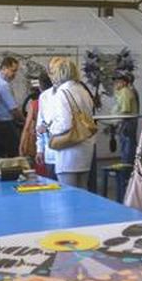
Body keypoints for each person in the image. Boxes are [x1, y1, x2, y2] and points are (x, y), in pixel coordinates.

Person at [45, 57, 96, 188]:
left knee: (67, 196)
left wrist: (50, 128)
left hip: (69, 150)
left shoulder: (62, 92)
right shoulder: (83, 90)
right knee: (82, 192)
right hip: (85, 147)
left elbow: (65, 124)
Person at [0, 56, 23, 157]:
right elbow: (14, 110)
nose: (14, 74)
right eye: (13, 71)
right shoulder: (3, 85)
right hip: (5, 124)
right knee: (15, 152)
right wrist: (24, 121)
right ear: (4, 68)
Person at [113, 72, 139, 164]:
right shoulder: (123, 91)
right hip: (126, 122)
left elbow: (125, 110)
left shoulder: (125, 92)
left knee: (127, 146)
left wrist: (118, 124)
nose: (115, 84)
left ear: (124, 82)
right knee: (126, 145)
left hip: (126, 123)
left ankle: (126, 170)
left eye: (117, 82)